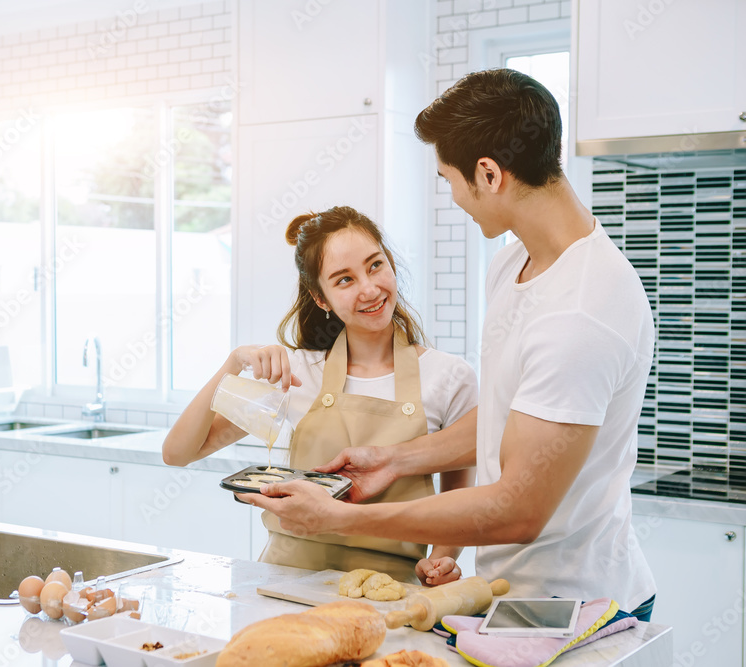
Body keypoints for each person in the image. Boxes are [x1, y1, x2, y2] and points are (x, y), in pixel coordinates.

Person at [245, 69, 657, 621]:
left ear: (488, 174)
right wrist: (393, 460)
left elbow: (518, 510)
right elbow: (513, 418)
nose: (454, 195)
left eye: (449, 179)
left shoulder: (582, 312)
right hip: (511, 591)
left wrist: (339, 519)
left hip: (578, 608)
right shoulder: (514, 262)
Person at [162, 206, 479, 585]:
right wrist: (233, 364)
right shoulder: (298, 374)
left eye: (375, 265)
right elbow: (179, 452)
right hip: (285, 582)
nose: (369, 288)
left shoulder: (449, 377)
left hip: (388, 590)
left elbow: (458, 500)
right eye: (344, 280)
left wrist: (442, 559)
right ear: (321, 298)